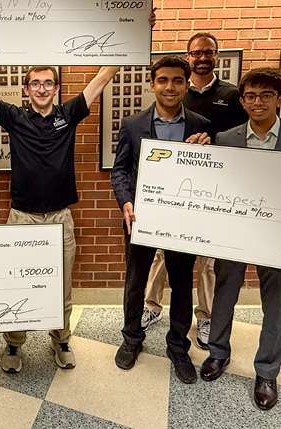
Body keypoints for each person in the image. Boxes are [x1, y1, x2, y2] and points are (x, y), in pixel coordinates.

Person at [0, 60, 119, 373]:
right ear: (26, 90)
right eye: (35, 84)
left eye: (48, 84)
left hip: (59, 218)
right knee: (18, 285)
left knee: (62, 286)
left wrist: (136, 36)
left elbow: (103, 76)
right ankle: (14, 342)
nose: (42, 89)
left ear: (56, 89)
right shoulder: (14, 117)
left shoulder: (68, 115)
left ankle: (61, 339)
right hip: (22, 219)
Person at [200, 68, 281, 410]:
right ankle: (217, 354)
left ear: (280, 99)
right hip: (235, 232)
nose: (258, 102)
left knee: (276, 302)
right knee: (224, 294)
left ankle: (267, 371)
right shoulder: (227, 139)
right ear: (242, 100)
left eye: (266, 95)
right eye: (250, 96)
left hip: (279, 237)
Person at [141, 32, 246, 349]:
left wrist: (212, 146)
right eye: (196, 52)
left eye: (208, 52)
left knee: (208, 260)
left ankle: (206, 317)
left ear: (217, 55)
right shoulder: (176, 93)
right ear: (188, 57)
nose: (202, 57)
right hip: (172, 191)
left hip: (213, 190)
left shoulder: (231, 94)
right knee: (161, 252)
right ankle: (151, 307)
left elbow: (241, 138)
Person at [110, 56, 211, 384]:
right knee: (136, 281)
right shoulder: (133, 125)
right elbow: (121, 170)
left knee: (182, 284)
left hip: (183, 222)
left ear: (186, 83)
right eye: (163, 80)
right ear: (152, 84)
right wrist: (125, 202)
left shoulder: (200, 125)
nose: (170, 87)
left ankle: (178, 347)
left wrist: (211, 149)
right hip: (141, 218)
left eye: (177, 80)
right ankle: (131, 339)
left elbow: (211, 174)